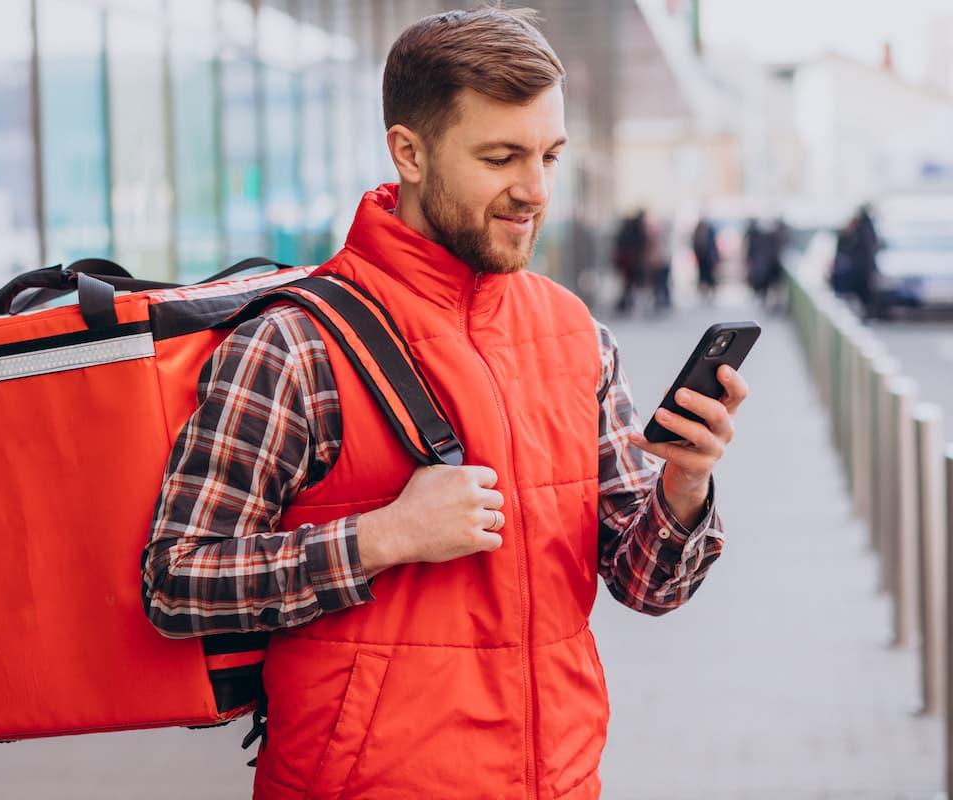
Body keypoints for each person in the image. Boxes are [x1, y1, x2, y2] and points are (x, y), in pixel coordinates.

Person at [142, 8, 748, 799]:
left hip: (560, 782)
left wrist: (685, 487)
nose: (534, 190)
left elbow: (648, 586)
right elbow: (176, 583)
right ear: (410, 152)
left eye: (550, 156)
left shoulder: (574, 334)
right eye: (501, 157)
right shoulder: (294, 346)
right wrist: (380, 538)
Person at [611, 209, 646, 313]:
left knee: (627, 284)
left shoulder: (626, 229)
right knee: (629, 284)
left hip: (626, 261)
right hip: (630, 261)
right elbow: (640, 244)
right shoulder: (636, 229)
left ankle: (625, 303)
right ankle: (625, 303)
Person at [692, 215, 719, 302]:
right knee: (707, 275)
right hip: (706, 258)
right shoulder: (707, 230)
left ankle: (705, 292)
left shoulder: (700, 230)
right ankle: (707, 292)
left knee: (704, 276)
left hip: (703, 258)